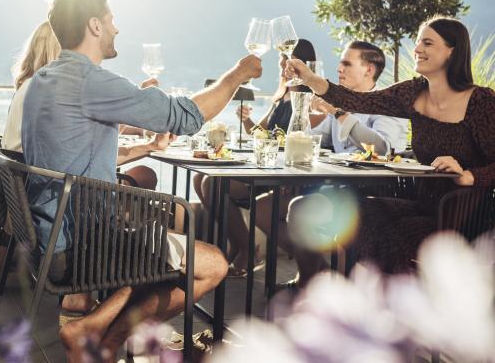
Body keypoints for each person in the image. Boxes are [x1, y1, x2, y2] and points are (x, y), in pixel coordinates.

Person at [21, 0, 262, 362]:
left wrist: (141, 126)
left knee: (153, 234)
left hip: (50, 238)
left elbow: (77, 143)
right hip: (85, 245)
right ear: (95, 25)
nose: (117, 29)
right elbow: (186, 116)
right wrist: (238, 74)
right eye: (112, 20)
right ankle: (99, 336)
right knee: (213, 264)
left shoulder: (45, 79)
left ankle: (99, 334)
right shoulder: (89, 80)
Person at [286, 17, 495, 277]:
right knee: (357, 213)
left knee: (390, 234)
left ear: (453, 51)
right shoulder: (413, 92)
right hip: (421, 205)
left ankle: (395, 302)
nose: (417, 49)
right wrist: (310, 78)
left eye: (427, 43)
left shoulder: (481, 102)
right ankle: (371, 300)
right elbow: (357, 100)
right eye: (418, 42)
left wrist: (470, 176)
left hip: (466, 217)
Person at [255, 40, 408, 287]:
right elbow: (317, 140)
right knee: (271, 206)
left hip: (372, 196)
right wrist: (299, 112)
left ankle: (311, 282)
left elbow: (383, 149)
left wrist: (337, 113)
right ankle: (312, 279)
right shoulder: (343, 103)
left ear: (369, 69)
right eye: (340, 63)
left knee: (300, 209)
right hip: (336, 188)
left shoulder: (384, 106)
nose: (339, 69)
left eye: (347, 63)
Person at [192, 39, 317, 276]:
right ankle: (239, 246)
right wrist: (246, 120)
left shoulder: (309, 99)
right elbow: (260, 132)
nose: (283, 69)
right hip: (269, 167)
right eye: (282, 64)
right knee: (201, 178)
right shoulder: (282, 96)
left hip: (284, 174)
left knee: (212, 184)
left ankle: (249, 249)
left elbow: (310, 138)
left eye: (286, 64)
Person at [1, 21, 164, 190]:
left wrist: (147, 143)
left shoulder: (30, 87)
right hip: (59, 194)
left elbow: (81, 153)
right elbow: (89, 160)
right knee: (144, 176)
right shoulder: (53, 92)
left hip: (23, 189)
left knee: (143, 177)